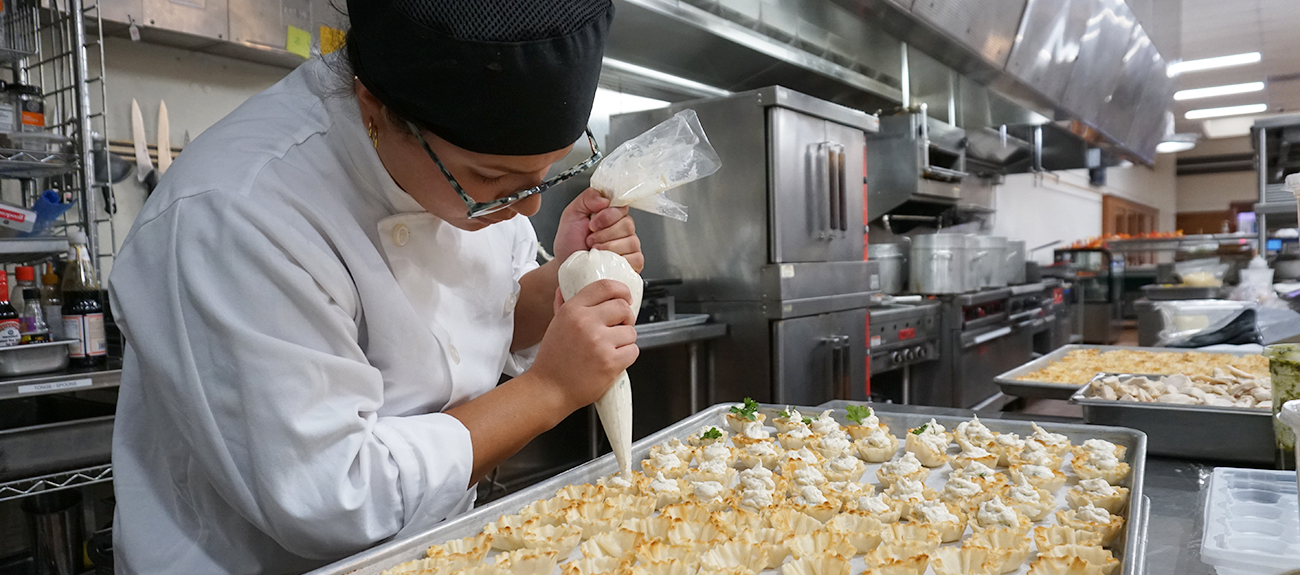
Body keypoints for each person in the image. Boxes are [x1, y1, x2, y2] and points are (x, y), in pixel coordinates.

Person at [107, 1, 640, 572]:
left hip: (432, 546)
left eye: (548, 171)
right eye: (492, 179)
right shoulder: (237, 214)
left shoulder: (454, 161)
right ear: (373, 109)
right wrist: (551, 389)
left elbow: (484, 317)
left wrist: (565, 280)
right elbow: (331, 496)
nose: (528, 207)